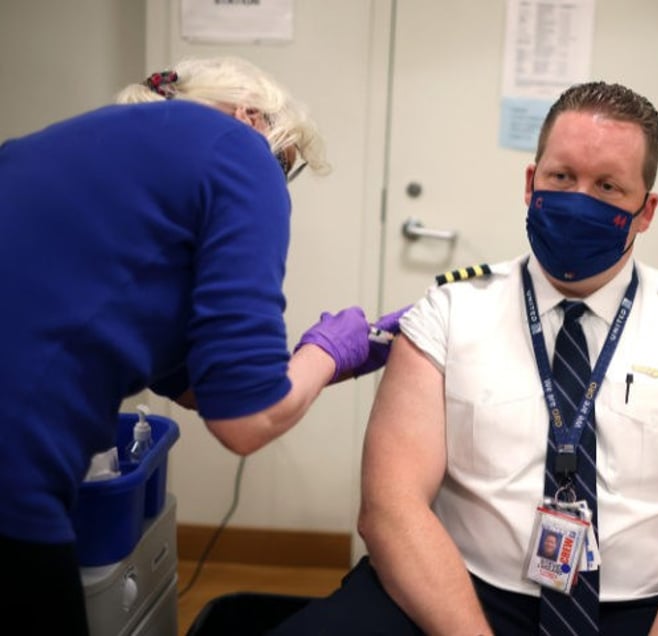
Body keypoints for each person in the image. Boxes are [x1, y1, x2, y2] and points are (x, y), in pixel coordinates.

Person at [268, 81, 658, 636]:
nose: (578, 199)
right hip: (458, 593)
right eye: (562, 177)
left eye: (608, 186)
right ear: (530, 182)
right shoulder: (450, 310)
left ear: (645, 210)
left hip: (646, 610)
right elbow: (390, 509)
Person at [0, 56, 405, 636]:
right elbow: (245, 421)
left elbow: (201, 388)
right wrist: (329, 349)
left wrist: (349, 354)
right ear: (252, 116)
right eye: (284, 166)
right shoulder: (239, 148)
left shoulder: (73, 151)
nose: (276, 184)